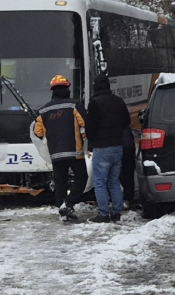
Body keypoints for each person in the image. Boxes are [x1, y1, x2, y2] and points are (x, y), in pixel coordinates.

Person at [33, 75, 88, 221]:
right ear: (67, 88)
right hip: (74, 151)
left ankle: (61, 209)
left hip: (55, 153)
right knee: (82, 177)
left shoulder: (44, 110)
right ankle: (68, 203)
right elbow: (85, 123)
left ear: (52, 90)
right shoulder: (75, 105)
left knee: (60, 182)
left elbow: (37, 132)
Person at [86, 73, 131, 223]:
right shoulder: (119, 101)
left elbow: (90, 128)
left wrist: (92, 141)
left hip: (102, 148)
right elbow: (126, 122)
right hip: (118, 146)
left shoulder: (95, 103)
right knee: (114, 181)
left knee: (100, 182)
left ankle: (103, 214)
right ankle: (117, 212)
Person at [120, 126, 138, 210]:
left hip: (117, 145)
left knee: (117, 174)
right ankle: (128, 198)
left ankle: (120, 199)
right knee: (129, 173)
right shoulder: (124, 119)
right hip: (128, 145)